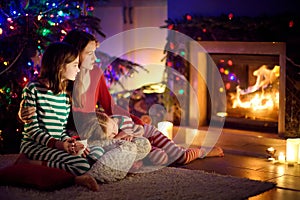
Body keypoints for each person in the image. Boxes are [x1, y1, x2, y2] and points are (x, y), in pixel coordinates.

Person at [19, 29, 224, 167]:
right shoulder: (65, 81)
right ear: (73, 55)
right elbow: (44, 101)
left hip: (104, 124)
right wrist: (23, 111)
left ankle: (187, 153)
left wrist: (133, 121)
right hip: (89, 132)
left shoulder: (95, 73)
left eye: (95, 53)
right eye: (89, 54)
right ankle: (148, 153)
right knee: (152, 152)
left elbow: (110, 106)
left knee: (142, 129)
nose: (95, 58)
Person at [19, 42, 104, 191]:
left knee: (96, 152)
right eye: (75, 65)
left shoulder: (65, 94)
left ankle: (62, 165)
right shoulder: (33, 89)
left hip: (58, 143)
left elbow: (61, 129)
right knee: (81, 165)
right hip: (34, 145)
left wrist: (69, 141)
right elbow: (32, 130)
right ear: (60, 66)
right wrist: (59, 145)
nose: (78, 70)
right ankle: (29, 163)